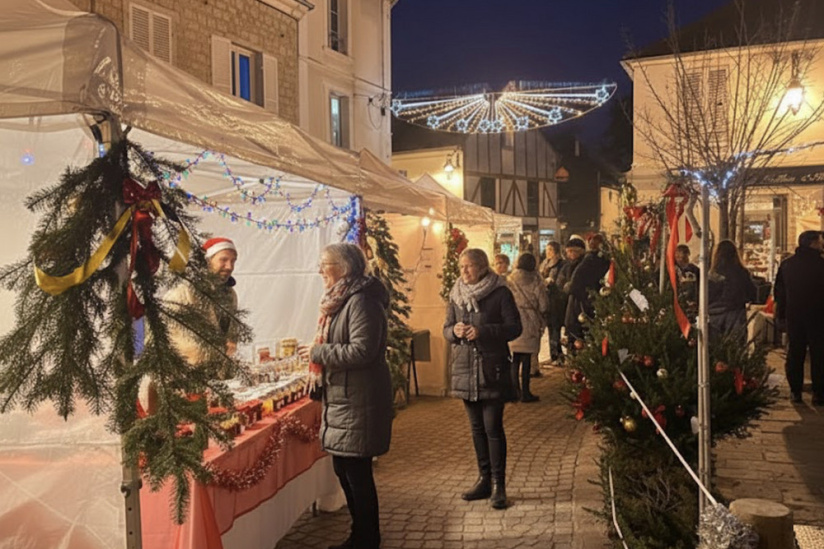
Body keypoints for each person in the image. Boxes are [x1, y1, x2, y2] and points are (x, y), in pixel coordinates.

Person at [297, 243, 393, 549]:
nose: (320, 270)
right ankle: (360, 533)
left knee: (357, 472)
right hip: (345, 398)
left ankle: (367, 538)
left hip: (360, 399)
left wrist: (318, 352)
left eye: (325, 264)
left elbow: (363, 350)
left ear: (345, 268)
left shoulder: (362, 301)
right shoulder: (341, 300)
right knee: (344, 468)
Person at [444, 248, 522, 510]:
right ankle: (484, 480)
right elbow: (446, 328)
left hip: (492, 369)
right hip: (465, 370)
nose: (463, 271)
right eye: (461, 267)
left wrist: (483, 331)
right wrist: (453, 331)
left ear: (482, 267)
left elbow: (514, 327)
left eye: (468, 267)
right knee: (476, 429)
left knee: (492, 428)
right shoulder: (456, 294)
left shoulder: (499, 293)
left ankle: (499, 485)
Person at [774, 231, 824, 405]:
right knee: (819, 354)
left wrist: (781, 315)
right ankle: (819, 393)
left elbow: (780, 293)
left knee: (795, 352)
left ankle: (796, 391)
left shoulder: (788, 265)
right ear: (812, 243)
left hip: (794, 315)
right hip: (819, 316)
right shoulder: (821, 264)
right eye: (819, 240)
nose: (822, 243)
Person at [508, 253, 549, 402]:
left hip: (513, 320)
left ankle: (514, 392)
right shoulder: (536, 280)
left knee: (514, 359)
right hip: (530, 322)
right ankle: (525, 393)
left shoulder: (510, 280)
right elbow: (543, 304)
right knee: (526, 360)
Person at [708, 240, 756, 343]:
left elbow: (706, 296)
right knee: (735, 349)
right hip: (736, 315)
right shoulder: (742, 273)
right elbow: (752, 294)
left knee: (715, 349)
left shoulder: (711, 274)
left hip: (714, 316)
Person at [566, 234, 610, 345]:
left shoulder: (588, 261)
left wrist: (567, 287)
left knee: (578, 333)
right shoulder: (605, 260)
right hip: (596, 300)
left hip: (581, 303)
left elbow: (574, 284)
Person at [540, 241, 567, 365]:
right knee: (550, 327)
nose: (547, 252)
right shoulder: (544, 264)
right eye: (547, 249)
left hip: (556, 301)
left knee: (555, 327)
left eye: (550, 249)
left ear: (556, 251)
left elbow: (560, 282)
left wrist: (551, 283)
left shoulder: (561, 264)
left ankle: (558, 355)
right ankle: (554, 354)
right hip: (546, 299)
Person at [675, 244, 700, 313]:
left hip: (693, 304)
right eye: (678, 256)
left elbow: (700, 285)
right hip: (678, 304)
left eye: (684, 256)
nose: (681, 258)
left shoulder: (694, 270)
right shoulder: (673, 270)